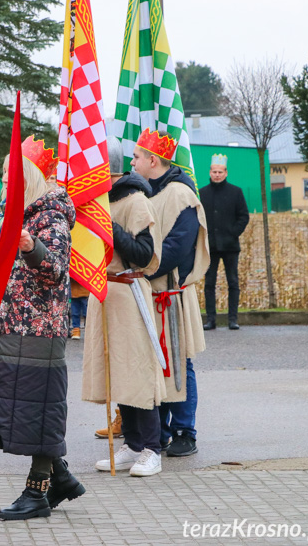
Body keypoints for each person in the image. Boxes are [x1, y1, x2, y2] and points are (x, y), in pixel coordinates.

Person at [0, 139, 84, 521]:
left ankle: (37, 492)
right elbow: (7, 274)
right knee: (17, 413)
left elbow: (55, 269)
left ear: (26, 177)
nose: (4, 185)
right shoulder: (24, 215)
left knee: (38, 414)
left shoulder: (50, 217)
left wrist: (32, 247)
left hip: (39, 333)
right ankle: (59, 477)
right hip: (14, 328)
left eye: (10, 178)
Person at [82, 136, 166, 477]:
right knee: (116, 372)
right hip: (105, 294)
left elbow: (145, 256)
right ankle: (132, 444)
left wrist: (112, 229)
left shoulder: (135, 201)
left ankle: (152, 448)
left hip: (129, 294)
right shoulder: (97, 201)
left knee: (136, 371)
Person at [131, 129, 209, 458]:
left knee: (179, 362)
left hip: (171, 293)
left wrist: (143, 269)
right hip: (147, 291)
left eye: (136, 157)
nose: (132, 162)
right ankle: (159, 431)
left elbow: (178, 247)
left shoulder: (180, 194)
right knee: (154, 363)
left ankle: (184, 430)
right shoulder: (143, 193)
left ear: (153, 160)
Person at [199, 155, 249, 330]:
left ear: (226, 173)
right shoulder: (202, 193)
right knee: (209, 283)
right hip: (210, 246)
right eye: (214, 172)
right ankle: (210, 319)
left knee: (233, 282)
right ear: (210, 173)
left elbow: (244, 216)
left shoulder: (236, 192)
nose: (217, 175)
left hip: (230, 246)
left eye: (220, 172)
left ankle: (232, 319)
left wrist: (233, 233)